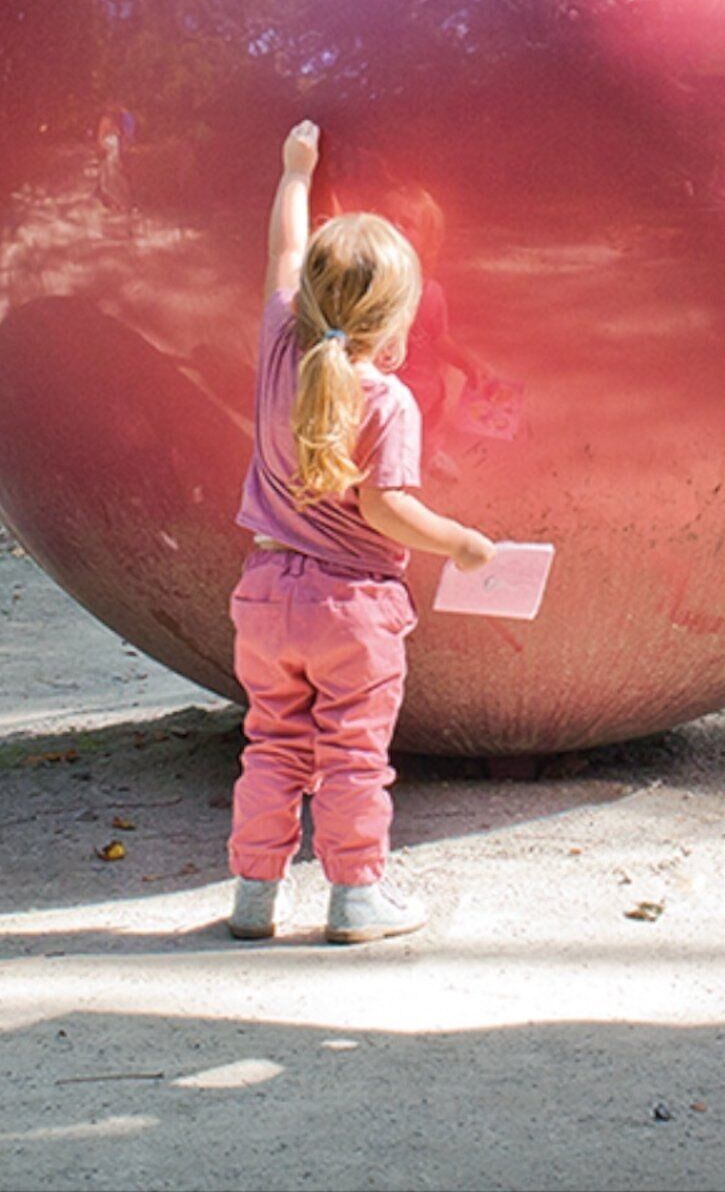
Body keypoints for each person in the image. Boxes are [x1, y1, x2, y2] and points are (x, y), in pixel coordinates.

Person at [223, 119, 501, 947]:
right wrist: (459, 541)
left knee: (271, 744)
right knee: (353, 755)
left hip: (264, 596)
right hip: (351, 608)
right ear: (400, 319)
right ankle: (355, 896)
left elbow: (282, 252)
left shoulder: (280, 344)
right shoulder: (386, 400)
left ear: (306, 303)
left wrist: (296, 174)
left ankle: (252, 895)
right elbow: (386, 510)